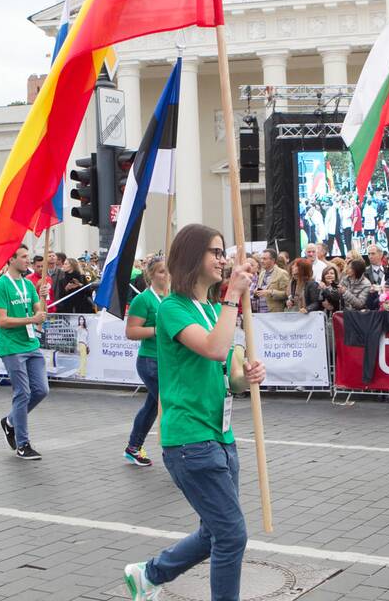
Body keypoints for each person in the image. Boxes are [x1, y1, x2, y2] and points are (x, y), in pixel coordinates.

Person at [123, 224, 265, 601]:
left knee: (213, 532)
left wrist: (246, 374)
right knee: (232, 535)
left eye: (223, 252)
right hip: (190, 439)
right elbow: (215, 348)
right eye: (215, 253)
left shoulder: (211, 308)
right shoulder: (172, 308)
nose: (222, 260)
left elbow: (228, 371)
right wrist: (233, 295)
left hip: (222, 435)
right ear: (191, 257)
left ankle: (148, 574)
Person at [0, 245, 49, 461]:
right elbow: (2, 321)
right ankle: (23, 444)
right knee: (22, 393)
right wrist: (31, 320)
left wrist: (42, 301)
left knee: (41, 390)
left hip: (31, 343)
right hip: (12, 346)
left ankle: (10, 421)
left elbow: (38, 311)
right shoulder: (1, 285)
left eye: (27, 257)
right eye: (23, 257)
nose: (28, 260)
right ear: (11, 259)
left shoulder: (28, 284)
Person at [123, 259, 169, 467]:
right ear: (151, 275)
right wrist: (158, 330)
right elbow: (131, 331)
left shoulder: (172, 298)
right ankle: (177, 449)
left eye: (169, 271)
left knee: (152, 405)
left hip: (170, 361)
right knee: (169, 402)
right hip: (151, 361)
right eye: (161, 271)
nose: (166, 275)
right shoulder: (143, 300)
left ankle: (134, 447)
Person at [252, 249, 289, 313]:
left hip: (274, 313)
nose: (261, 261)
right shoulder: (262, 273)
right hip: (260, 312)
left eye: (264, 259)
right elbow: (260, 290)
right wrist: (256, 292)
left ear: (273, 260)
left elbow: (286, 294)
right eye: (261, 259)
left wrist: (270, 292)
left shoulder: (282, 273)